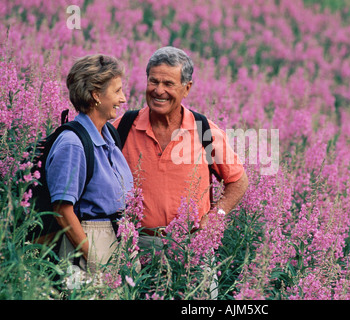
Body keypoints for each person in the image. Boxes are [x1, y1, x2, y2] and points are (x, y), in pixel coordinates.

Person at [112, 47, 248, 296]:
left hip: (190, 248)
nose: (158, 90)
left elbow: (238, 180)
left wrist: (215, 215)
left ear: (187, 88)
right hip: (132, 247)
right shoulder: (124, 126)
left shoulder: (205, 130)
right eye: (153, 81)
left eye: (168, 83)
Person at [45, 54, 133, 280]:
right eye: (117, 91)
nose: (123, 99)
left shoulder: (109, 134)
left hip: (116, 240)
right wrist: (93, 260)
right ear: (96, 95)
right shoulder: (73, 143)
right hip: (89, 243)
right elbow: (62, 211)